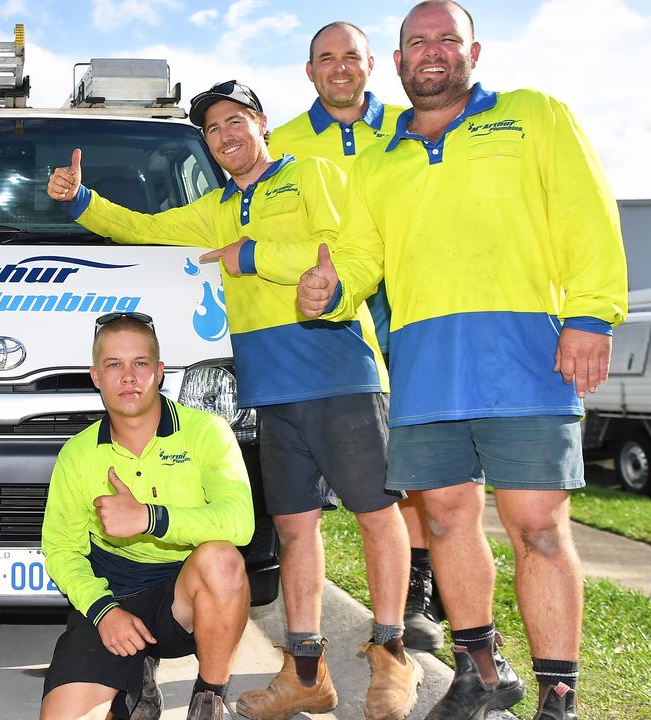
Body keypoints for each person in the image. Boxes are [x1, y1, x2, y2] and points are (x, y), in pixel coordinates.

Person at [48, 80, 421, 720]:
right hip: (269, 389)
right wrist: (80, 200)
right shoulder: (216, 207)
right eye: (214, 130)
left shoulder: (311, 174)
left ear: (261, 124)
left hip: (340, 371)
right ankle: (307, 671)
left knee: (375, 514)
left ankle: (391, 655)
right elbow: (140, 228)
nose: (226, 137)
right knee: (297, 528)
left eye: (235, 122)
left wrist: (256, 255)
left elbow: (355, 248)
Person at [295, 3, 627, 719]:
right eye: (419, 42)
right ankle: (479, 670)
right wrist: (335, 283)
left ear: (474, 49)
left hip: (527, 351)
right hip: (424, 360)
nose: (433, 52)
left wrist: (592, 314)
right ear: (400, 58)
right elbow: (361, 253)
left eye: (447, 39)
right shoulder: (382, 159)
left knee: (537, 524)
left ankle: (559, 698)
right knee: (444, 518)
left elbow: (587, 213)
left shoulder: (533, 115)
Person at [268, 21, 445, 652]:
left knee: (422, 452)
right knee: (372, 468)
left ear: (375, 65)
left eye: (352, 57)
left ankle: (418, 595)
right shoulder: (280, 141)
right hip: (330, 319)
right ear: (308, 69)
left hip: (415, 305)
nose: (340, 68)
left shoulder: (414, 124)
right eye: (326, 58)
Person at [39, 312, 253, 720]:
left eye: (140, 363)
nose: (128, 376)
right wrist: (104, 612)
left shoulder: (207, 431)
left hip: (183, 596)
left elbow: (240, 522)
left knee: (222, 559)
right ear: (96, 376)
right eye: (114, 365)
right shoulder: (77, 453)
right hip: (114, 594)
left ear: (159, 372)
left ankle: (208, 698)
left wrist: (150, 518)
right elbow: (61, 549)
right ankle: (137, 678)